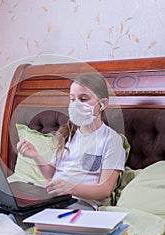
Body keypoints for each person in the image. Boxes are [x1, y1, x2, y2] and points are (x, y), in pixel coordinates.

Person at [17, 71, 125, 210]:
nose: (76, 104)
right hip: (52, 200)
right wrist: (36, 156)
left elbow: (104, 190)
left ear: (102, 104)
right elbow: (53, 174)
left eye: (84, 99)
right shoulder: (68, 134)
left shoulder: (111, 140)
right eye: (72, 99)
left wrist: (71, 188)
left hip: (79, 204)